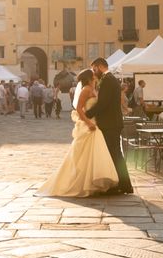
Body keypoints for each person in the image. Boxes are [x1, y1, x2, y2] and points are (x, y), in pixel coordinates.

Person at [36, 69, 118, 197]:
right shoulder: (86, 89)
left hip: (95, 123)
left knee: (93, 154)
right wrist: (88, 123)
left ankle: (91, 182)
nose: (96, 75)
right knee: (83, 155)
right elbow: (79, 109)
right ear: (90, 77)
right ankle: (81, 182)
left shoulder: (93, 89)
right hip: (89, 124)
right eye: (93, 74)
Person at [85, 57, 134, 195]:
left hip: (110, 124)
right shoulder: (109, 79)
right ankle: (122, 184)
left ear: (100, 66)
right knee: (114, 154)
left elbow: (103, 103)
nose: (93, 72)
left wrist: (87, 114)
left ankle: (122, 185)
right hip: (111, 123)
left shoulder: (108, 80)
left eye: (94, 68)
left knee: (115, 155)